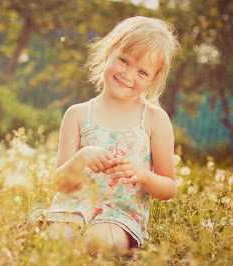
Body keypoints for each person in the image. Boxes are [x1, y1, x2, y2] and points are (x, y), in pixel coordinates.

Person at [30, 16, 180, 255]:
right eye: (123, 60)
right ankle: (47, 224)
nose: (129, 75)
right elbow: (57, 183)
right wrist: (82, 158)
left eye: (143, 72)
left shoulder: (154, 119)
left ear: (154, 79)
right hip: (73, 207)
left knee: (100, 242)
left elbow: (169, 187)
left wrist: (143, 175)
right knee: (58, 240)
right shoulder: (78, 114)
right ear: (108, 52)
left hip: (120, 217)